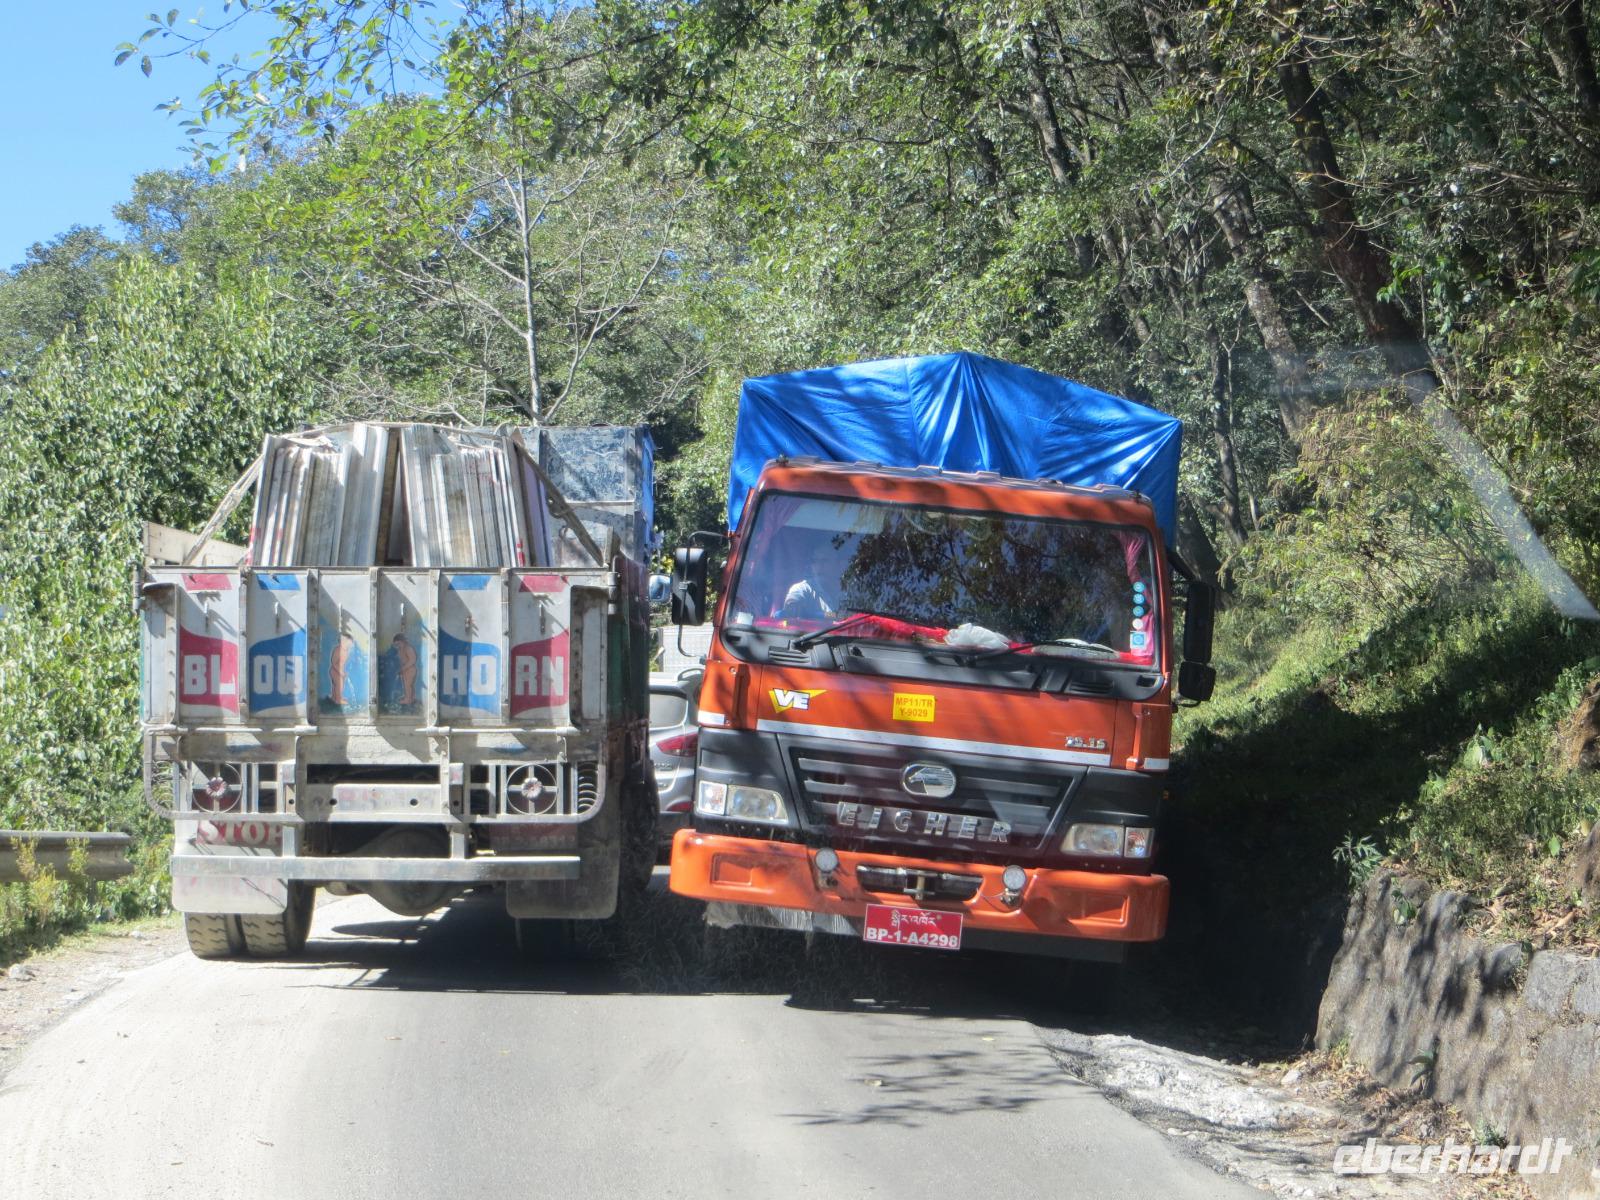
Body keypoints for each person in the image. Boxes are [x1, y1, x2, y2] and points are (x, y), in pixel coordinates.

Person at [781, 540, 837, 620]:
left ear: (837, 564)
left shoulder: (850, 591)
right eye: (815, 561)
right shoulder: (803, 588)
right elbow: (791, 605)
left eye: (825, 561)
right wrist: (793, 606)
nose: (819, 566)